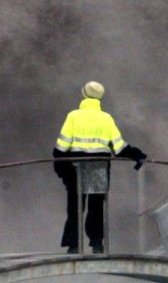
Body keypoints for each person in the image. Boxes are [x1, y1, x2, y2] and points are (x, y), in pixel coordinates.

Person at [52, 81, 144, 254]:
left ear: (84, 95)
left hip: (75, 168)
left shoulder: (73, 116)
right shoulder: (106, 119)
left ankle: (73, 245)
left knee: (75, 208)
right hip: (99, 168)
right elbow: (119, 148)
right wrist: (138, 155)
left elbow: (61, 148)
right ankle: (97, 244)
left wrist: (60, 170)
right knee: (96, 208)